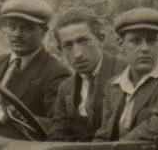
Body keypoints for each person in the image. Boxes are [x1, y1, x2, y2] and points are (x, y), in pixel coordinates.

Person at [94, 8, 158, 142]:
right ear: (120, 43)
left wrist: (118, 148)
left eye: (152, 41)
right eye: (135, 41)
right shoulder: (114, 86)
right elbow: (104, 134)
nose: (145, 49)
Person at [0, 0, 71, 138]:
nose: (17, 34)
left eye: (26, 29)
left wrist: (25, 118)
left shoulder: (56, 73)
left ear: (44, 32)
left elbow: (59, 126)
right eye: (12, 27)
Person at [46, 8, 121, 142]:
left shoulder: (125, 73)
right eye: (68, 46)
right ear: (60, 50)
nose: (78, 54)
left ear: (101, 39)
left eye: (83, 41)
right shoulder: (66, 88)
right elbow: (57, 136)